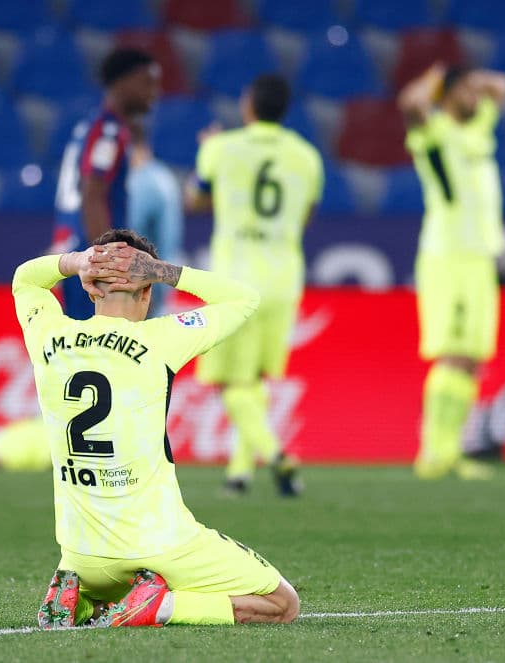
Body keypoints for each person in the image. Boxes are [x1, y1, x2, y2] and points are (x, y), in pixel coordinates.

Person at [19, 228, 300, 628]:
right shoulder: (160, 340)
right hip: (158, 547)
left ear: (90, 289)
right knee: (281, 604)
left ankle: (81, 602)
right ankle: (158, 607)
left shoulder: (47, 334)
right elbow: (244, 298)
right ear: (147, 293)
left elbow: (25, 279)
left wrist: (76, 261)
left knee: (112, 584)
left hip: (81, 556)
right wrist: (163, 271)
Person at [185, 74, 323, 497]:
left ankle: (276, 454)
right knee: (256, 379)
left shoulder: (221, 148)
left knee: (230, 381)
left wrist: (206, 155)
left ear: (248, 106)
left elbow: (194, 199)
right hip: (284, 278)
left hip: (235, 278)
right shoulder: (307, 157)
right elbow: (304, 217)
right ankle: (239, 473)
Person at [398, 63, 505, 481]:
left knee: (472, 359)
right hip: (447, 256)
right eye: (464, 90)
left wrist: (472, 80)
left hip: (481, 257)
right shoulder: (434, 131)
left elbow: (504, 86)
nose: (475, 96)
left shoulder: (477, 127)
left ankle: (451, 450)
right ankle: (432, 451)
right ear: (446, 96)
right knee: (451, 354)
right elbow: (410, 104)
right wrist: (437, 78)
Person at [52, 48, 160, 319]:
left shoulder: (93, 126)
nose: (154, 92)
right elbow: (93, 195)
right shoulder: (108, 132)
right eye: (147, 82)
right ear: (123, 82)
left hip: (77, 253)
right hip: (90, 260)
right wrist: (109, 266)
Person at [127, 123, 184, 319]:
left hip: (143, 293)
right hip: (159, 287)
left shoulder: (141, 184)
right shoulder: (163, 176)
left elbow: (128, 239)